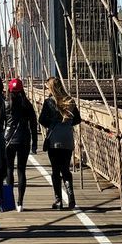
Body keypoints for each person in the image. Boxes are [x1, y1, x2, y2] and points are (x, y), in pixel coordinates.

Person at [39, 76, 81, 210]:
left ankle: (58, 200)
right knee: (66, 169)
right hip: (67, 139)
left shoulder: (49, 102)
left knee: (56, 170)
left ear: (51, 88)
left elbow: (41, 120)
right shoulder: (70, 101)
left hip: (54, 140)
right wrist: (66, 125)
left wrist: (51, 126)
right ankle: (71, 198)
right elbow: (77, 119)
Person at [3, 77, 38, 212]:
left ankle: (10, 200)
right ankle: (20, 203)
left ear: (10, 90)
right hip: (24, 140)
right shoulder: (27, 105)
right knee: (21, 170)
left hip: (9, 140)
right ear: (22, 89)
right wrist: (34, 143)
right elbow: (33, 125)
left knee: (9, 169)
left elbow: (1, 122)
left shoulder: (6, 104)